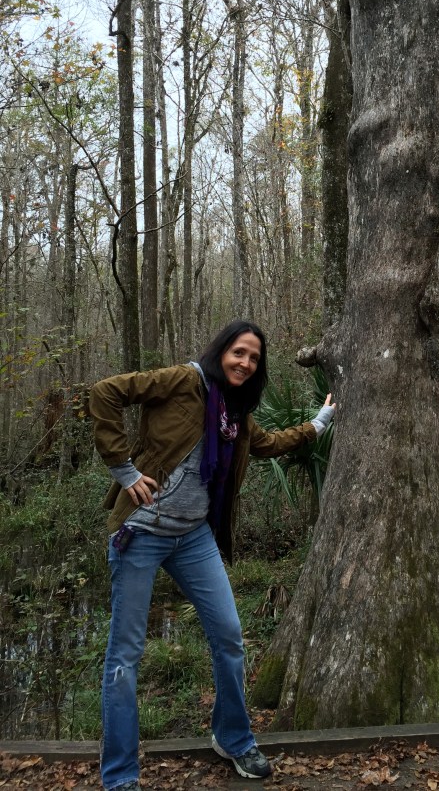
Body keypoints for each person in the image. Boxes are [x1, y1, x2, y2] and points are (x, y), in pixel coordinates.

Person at [89, 321, 335, 791]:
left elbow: (265, 445)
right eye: (239, 352)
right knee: (125, 655)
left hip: (194, 537)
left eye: (254, 358)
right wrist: (124, 471)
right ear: (221, 350)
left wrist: (317, 425)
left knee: (229, 636)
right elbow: (105, 393)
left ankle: (233, 738)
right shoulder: (183, 381)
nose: (245, 362)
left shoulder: (234, 411)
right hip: (141, 533)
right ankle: (120, 776)